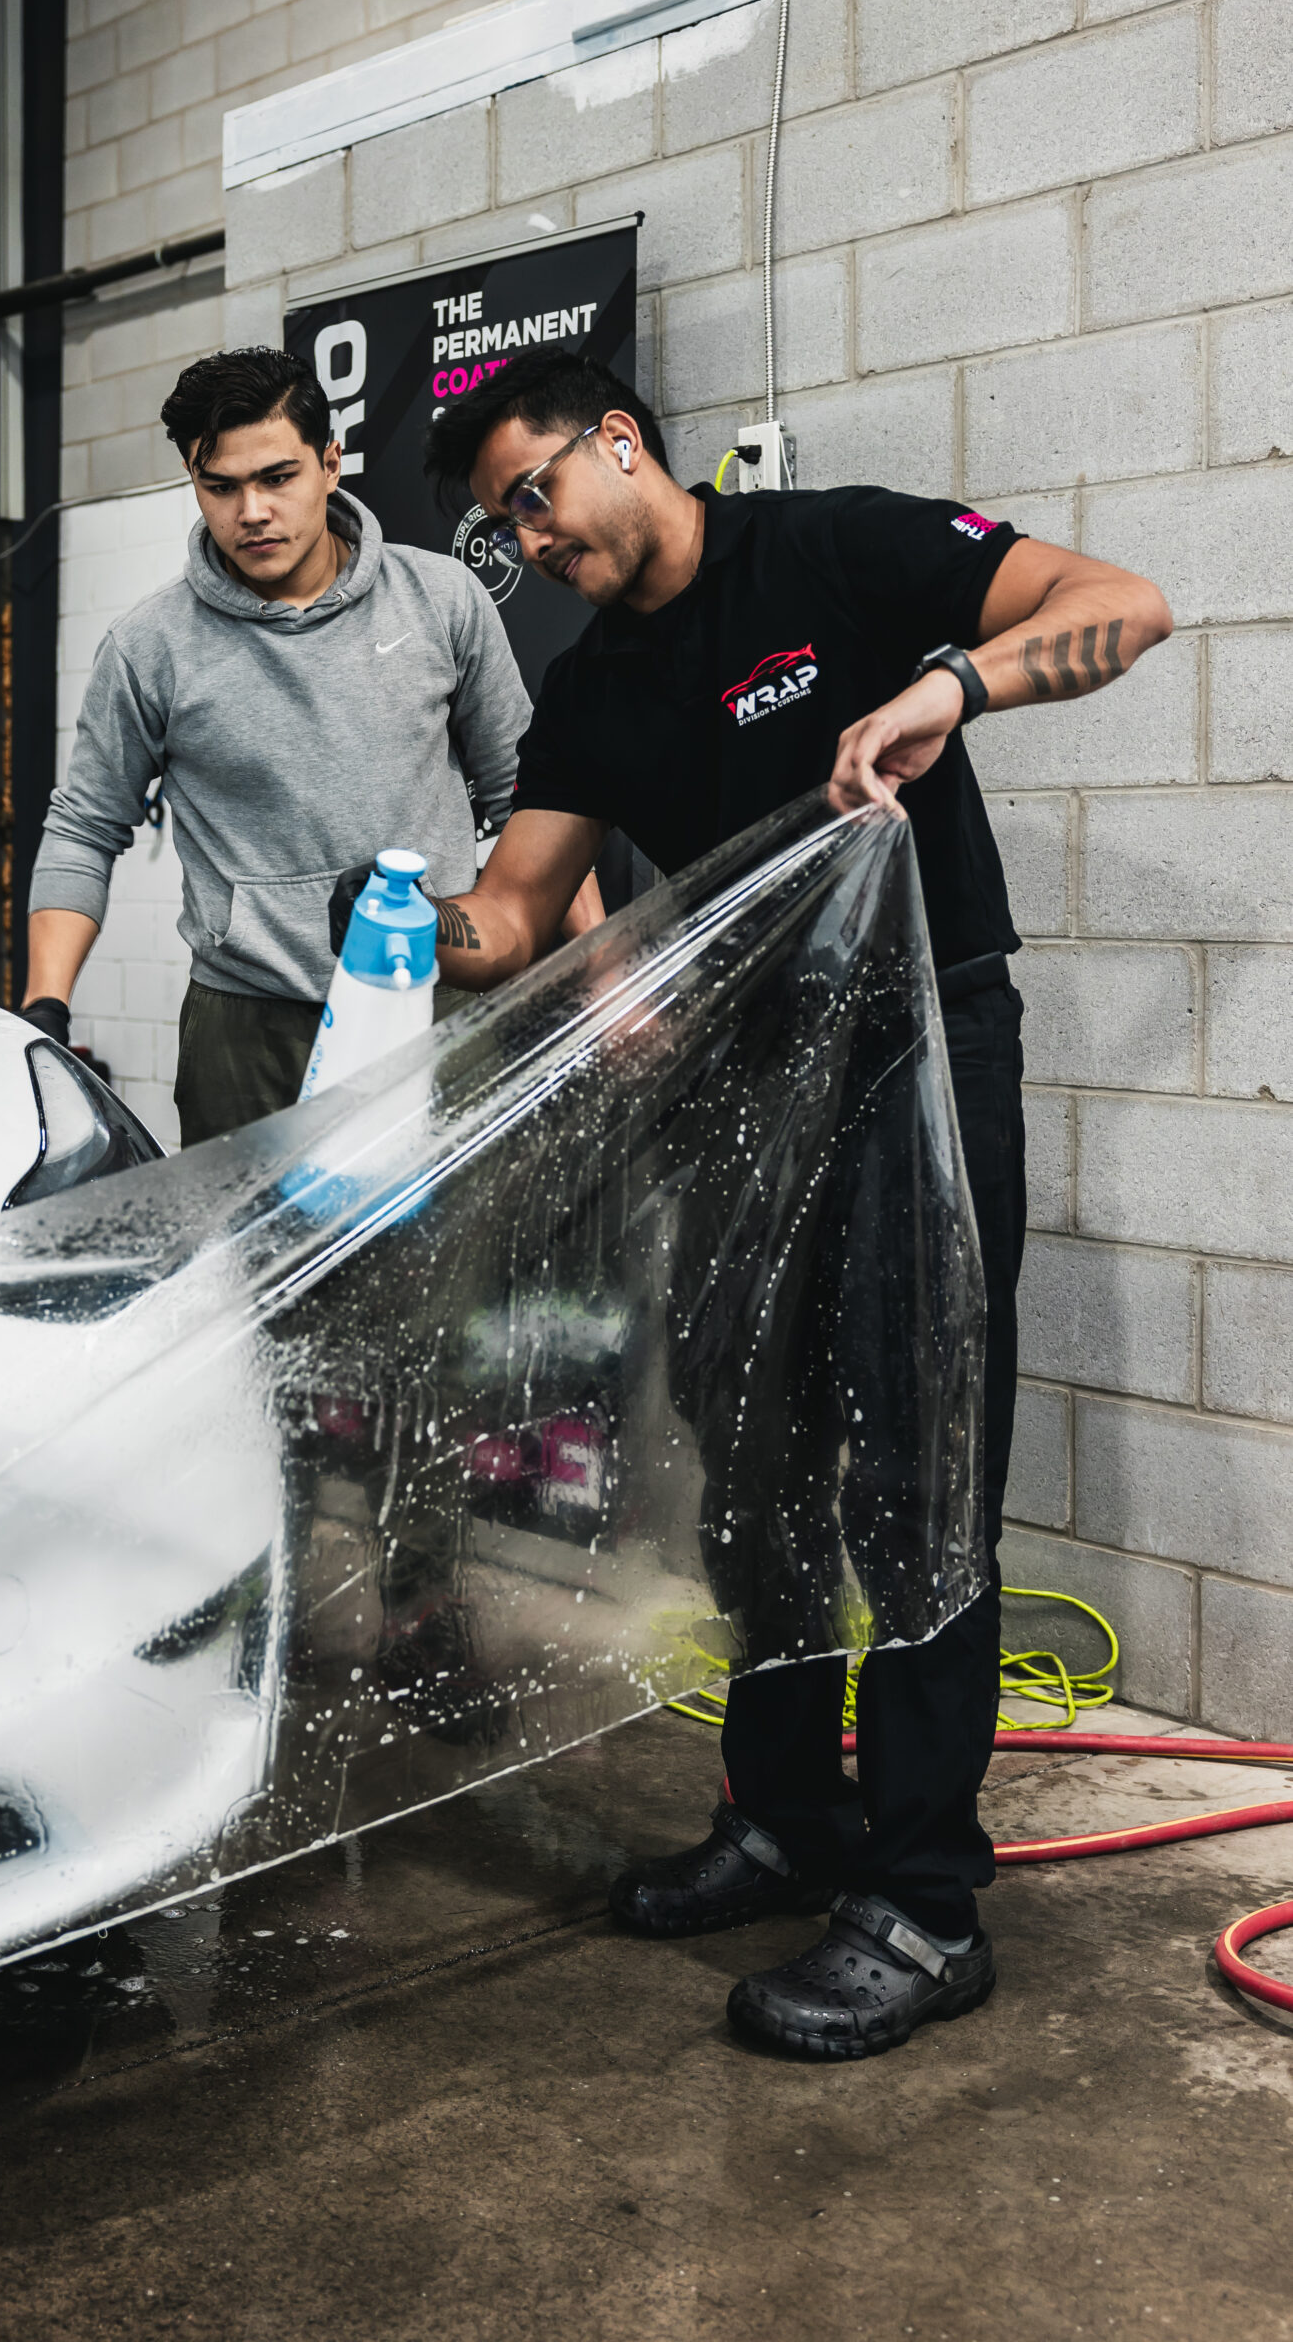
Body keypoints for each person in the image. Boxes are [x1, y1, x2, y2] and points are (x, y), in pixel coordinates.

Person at [412, 346, 1173, 2060]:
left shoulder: (830, 554)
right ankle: (786, 1816)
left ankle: (916, 1900)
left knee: (913, 1457)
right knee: (746, 1438)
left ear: (619, 443)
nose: (528, 538)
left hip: (918, 1050)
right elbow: (514, 916)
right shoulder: (595, 685)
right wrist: (394, 916)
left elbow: (1123, 605)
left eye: (534, 492)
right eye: (499, 526)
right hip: (741, 1091)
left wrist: (952, 692)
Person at [22, 346, 597, 1147]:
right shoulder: (148, 648)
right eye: (218, 486)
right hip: (246, 1029)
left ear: (330, 463)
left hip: (436, 995)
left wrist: (600, 972)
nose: (249, 511)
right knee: (256, 1271)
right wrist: (44, 1009)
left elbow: (533, 800)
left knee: (443, 1269)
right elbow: (83, 829)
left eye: (276, 478)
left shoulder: (440, 599)